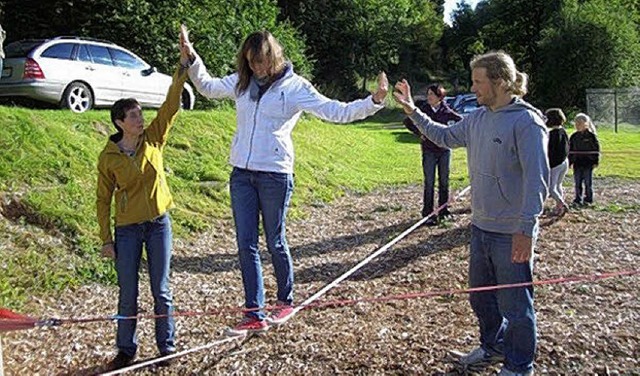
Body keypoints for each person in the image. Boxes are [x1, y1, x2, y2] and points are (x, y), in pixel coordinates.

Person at [179, 27, 387, 336]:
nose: (257, 68)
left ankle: (285, 300)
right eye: (251, 62)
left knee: (274, 241)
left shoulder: (294, 86)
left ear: (274, 57)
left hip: (275, 174)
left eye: (262, 62)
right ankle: (254, 312)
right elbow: (207, 87)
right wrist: (191, 57)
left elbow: (335, 111)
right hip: (241, 174)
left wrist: (374, 101)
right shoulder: (242, 83)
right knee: (246, 244)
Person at [393, 51, 549, 376]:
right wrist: (412, 110)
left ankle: (519, 367)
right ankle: (493, 348)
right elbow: (445, 136)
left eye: (478, 81)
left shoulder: (527, 122)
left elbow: (538, 181)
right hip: (480, 227)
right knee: (481, 300)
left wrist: (526, 228)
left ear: (501, 81)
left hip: (511, 232)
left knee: (516, 306)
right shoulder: (478, 118)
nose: (473, 88)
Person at [96, 29, 191, 369]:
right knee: (128, 293)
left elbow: (170, 104)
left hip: (158, 225)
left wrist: (182, 65)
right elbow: (102, 200)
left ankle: (167, 346)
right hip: (127, 230)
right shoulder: (108, 157)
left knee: (161, 290)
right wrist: (106, 239)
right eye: (134, 116)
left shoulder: (154, 139)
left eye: (139, 113)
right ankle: (125, 349)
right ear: (120, 122)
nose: (141, 118)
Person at [403, 84, 462, 225]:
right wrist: (420, 133)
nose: (429, 97)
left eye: (432, 94)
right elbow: (408, 121)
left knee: (444, 181)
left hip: (444, 151)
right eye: (428, 94)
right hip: (429, 150)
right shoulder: (423, 110)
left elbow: (461, 121)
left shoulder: (446, 110)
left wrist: (452, 134)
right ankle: (427, 213)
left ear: (439, 97)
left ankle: (443, 210)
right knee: (429, 182)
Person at [568, 113, 600, 207]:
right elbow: (571, 149)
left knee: (587, 182)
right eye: (576, 123)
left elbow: (596, 149)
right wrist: (570, 162)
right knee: (577, 182)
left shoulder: (591, 136)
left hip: (588, 163)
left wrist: (595, 161)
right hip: (577, 162)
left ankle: (588, 199)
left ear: (586, 124)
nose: (577, 125)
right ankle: (578, 198)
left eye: (580, 123)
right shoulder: (574, 136)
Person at [545, 108, 570, 215]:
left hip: (555, 164)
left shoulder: (552, 134)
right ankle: (559, 208)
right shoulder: (563, 131)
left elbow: (550, 151)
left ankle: (561, 203)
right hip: (564, 162)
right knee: (558, 185)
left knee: (551, 188)